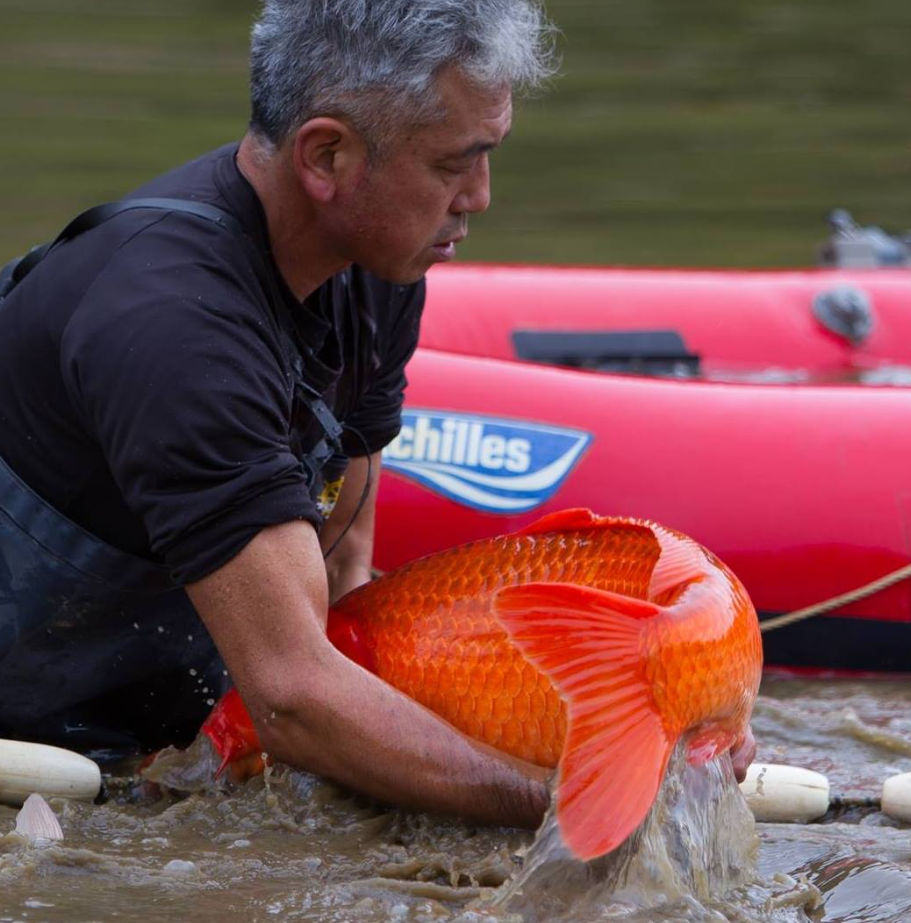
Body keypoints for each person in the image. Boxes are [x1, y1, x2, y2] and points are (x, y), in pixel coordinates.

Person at [0, 0, 754, 830]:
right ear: (327, 155)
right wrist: (568, 806)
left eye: (488, 156)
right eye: (452, 165)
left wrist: (621, 731)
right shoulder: (175, 328)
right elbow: (293, 694)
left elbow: (343, 583)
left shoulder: (375, 273)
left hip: (156, 717)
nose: (481, 197)